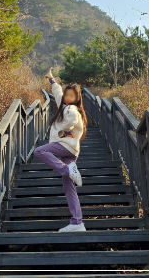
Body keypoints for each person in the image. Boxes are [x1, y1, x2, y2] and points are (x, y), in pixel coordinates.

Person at [32, 68, 88, 232]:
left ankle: (66, 169)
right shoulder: (64, 105)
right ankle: (77, 222)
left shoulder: (72, 109)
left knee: (39, 151)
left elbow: (71, 119)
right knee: (69, 187)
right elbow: (57, 94)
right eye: (67, 95)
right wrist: (52, 80)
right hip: (71, 150)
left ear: (78, 99)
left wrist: (66, 130)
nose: (68, 98)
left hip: (65, 145)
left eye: (72, 96)